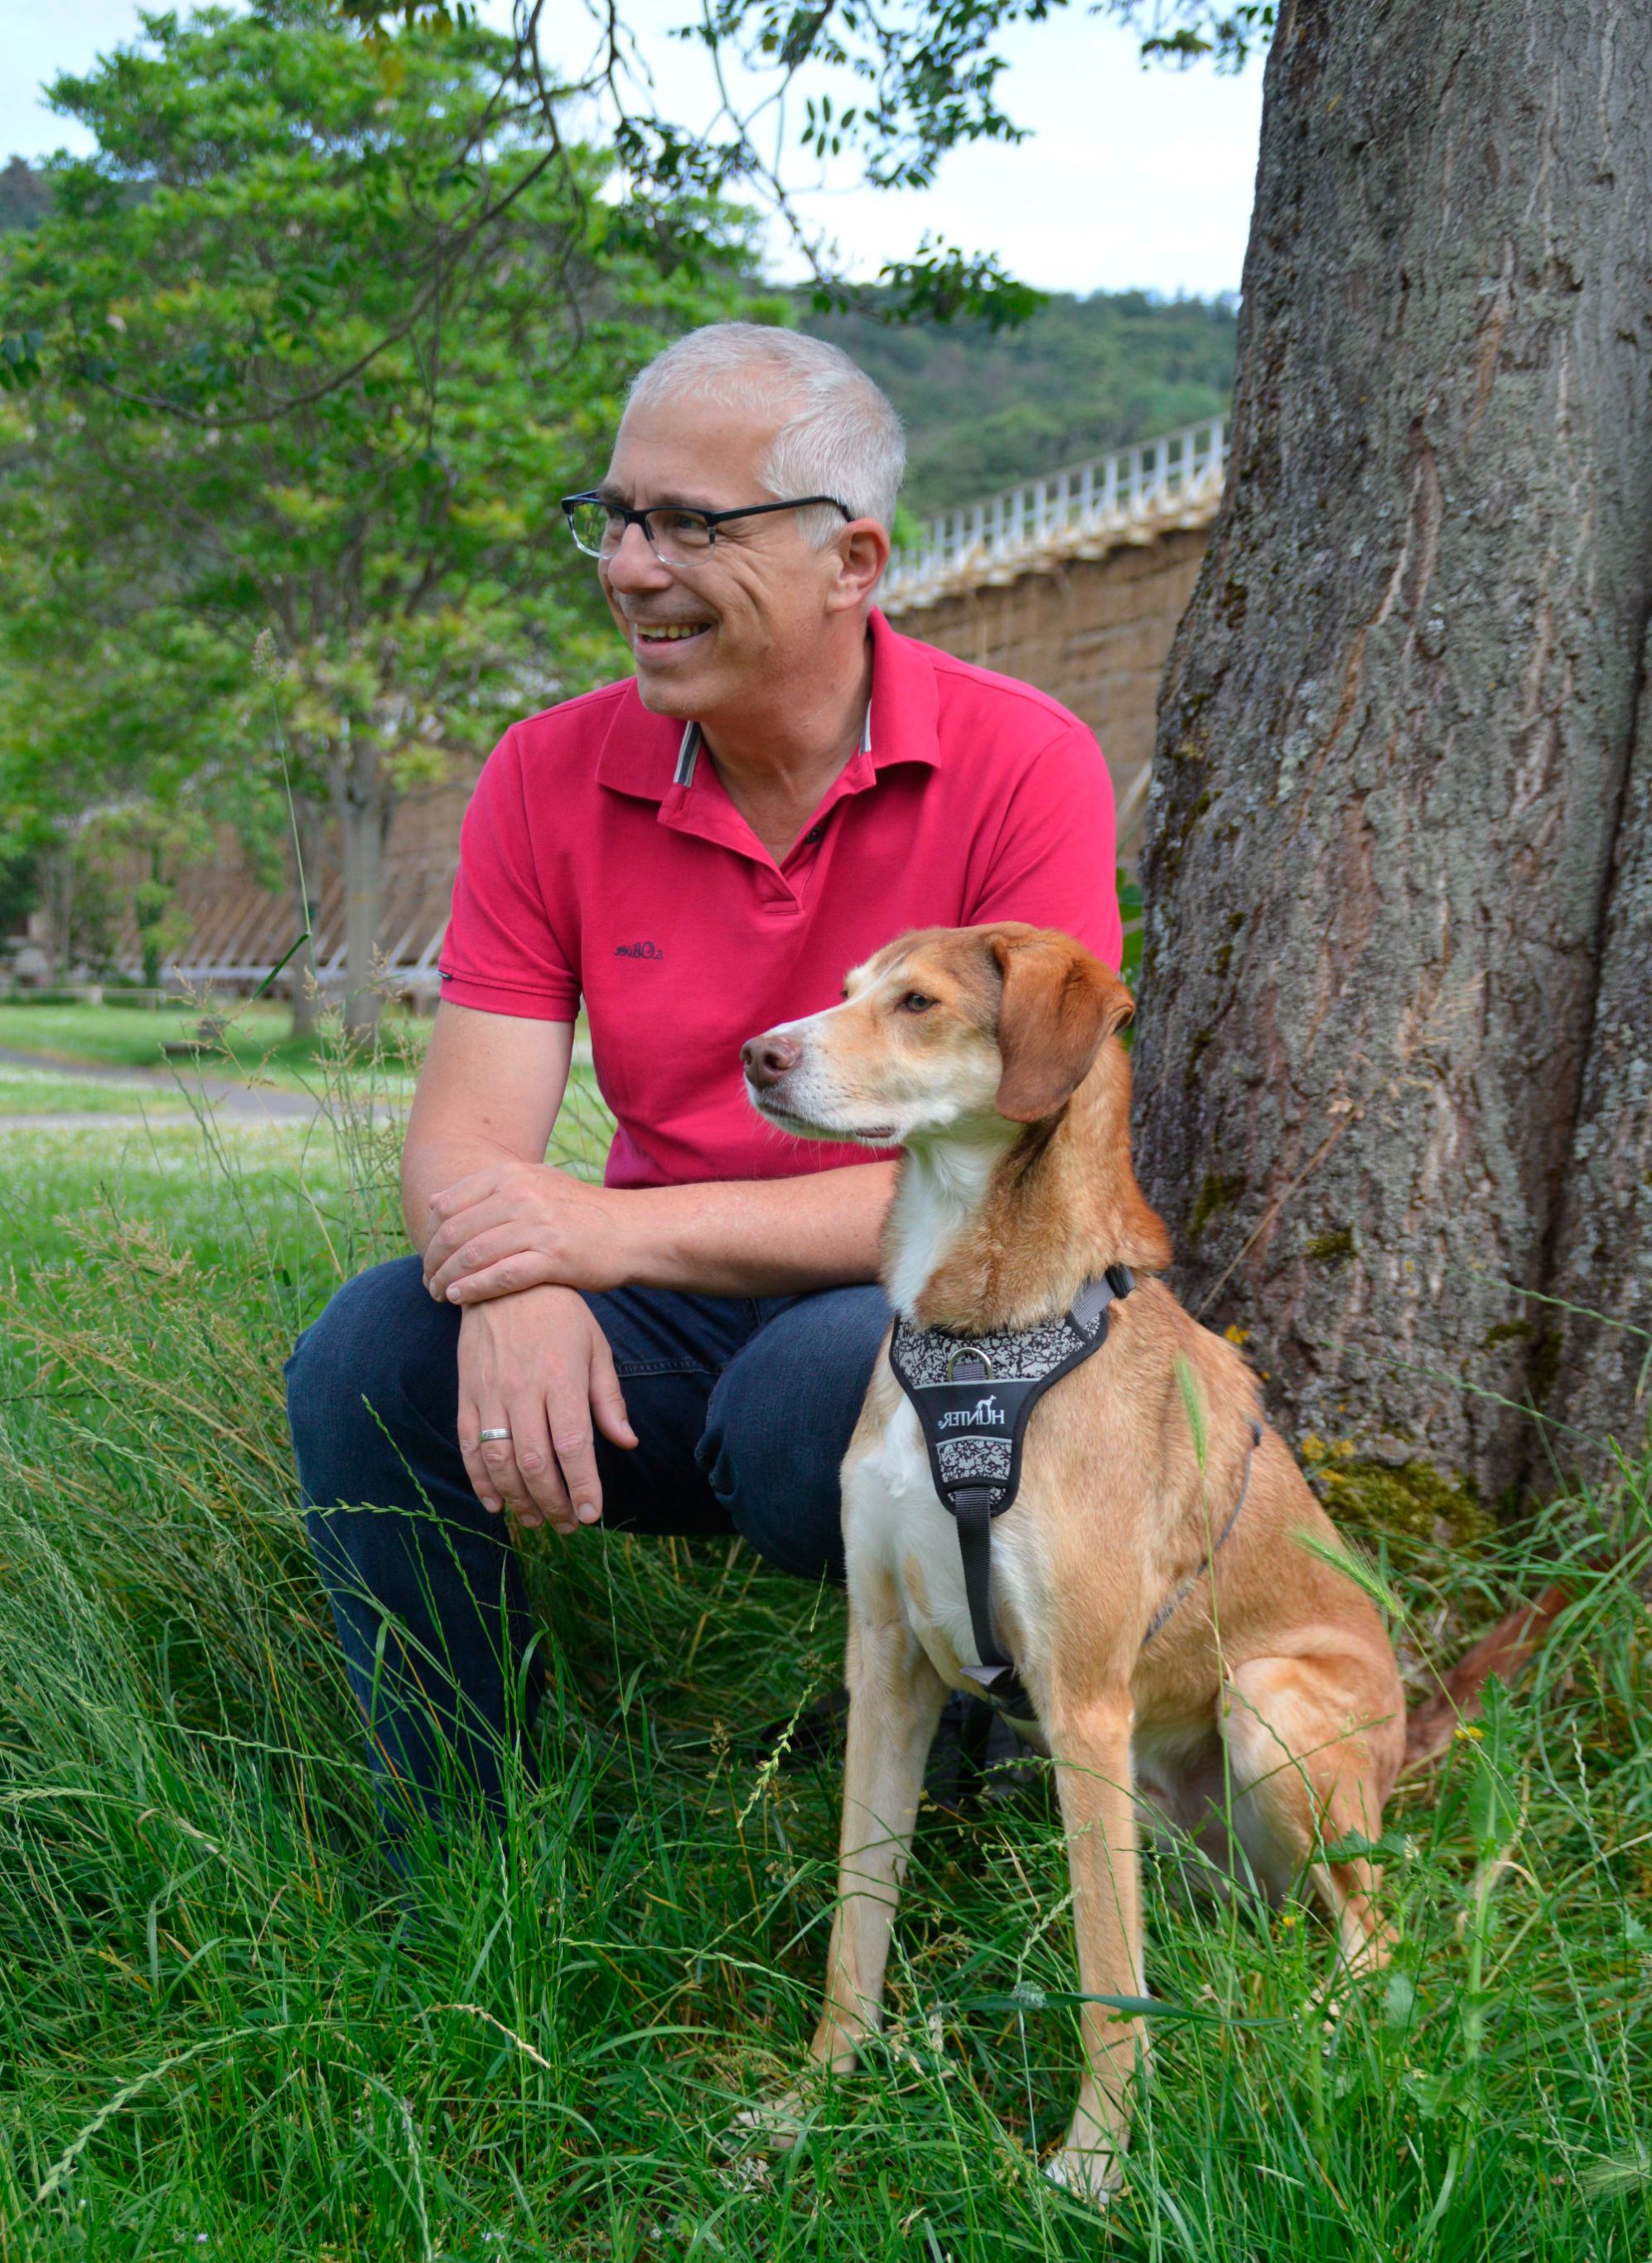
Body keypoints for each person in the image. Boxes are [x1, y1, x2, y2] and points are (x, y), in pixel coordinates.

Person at [286, 321, 1121, 1821]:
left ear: (851, 561)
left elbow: (1021, 1173)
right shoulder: (543, 774)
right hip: (668, 1311)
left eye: (689, 525)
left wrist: (602, 1233)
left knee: (814, 1402)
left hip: (928, 1291)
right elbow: (465, 1144)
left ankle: (974, 1788)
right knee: (370, 1354)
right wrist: (521, 1279)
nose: (627, 566)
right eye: (613, 517)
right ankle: (466, 1841)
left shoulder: (1021, 762)